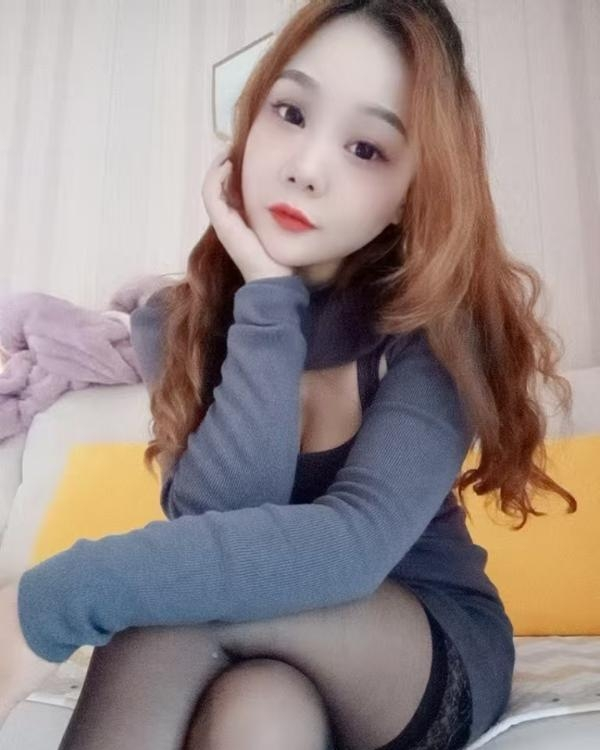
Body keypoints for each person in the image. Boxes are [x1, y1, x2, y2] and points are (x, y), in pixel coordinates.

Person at [0, 1, 576, 749]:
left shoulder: (436, 330)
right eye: (291, 112)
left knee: (161, 611)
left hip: (414, 648)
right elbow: (217, 527)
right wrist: (268, 298)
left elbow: (352, 546)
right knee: (258, 706)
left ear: (411, 192)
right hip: (261, 650)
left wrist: (40, 607)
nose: (306, 167)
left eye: (366, 148)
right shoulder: (174, 324)